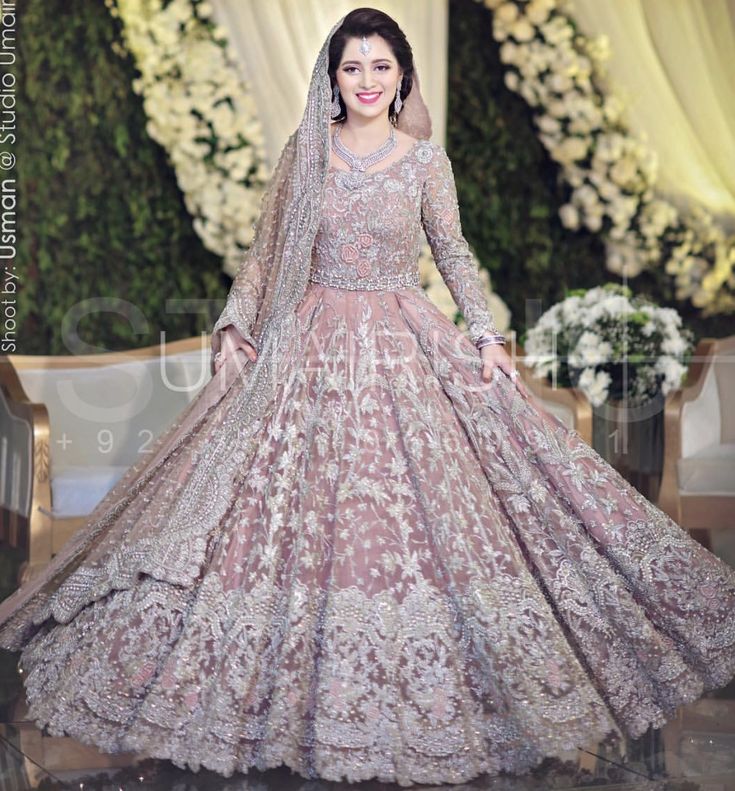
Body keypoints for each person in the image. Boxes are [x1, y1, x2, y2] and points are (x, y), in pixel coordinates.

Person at [0, 6, 733, 787]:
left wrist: (485, 337)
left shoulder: (423, 162)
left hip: (401, 338)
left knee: (424, 510)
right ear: (332, 78)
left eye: (381, 66)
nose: (367, 81)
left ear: (402, 76)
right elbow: (263, 256)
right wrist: (230, 326)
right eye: (352, 67)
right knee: (280, 509)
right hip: (306, 341)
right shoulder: (303, 154)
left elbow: (451, 251)